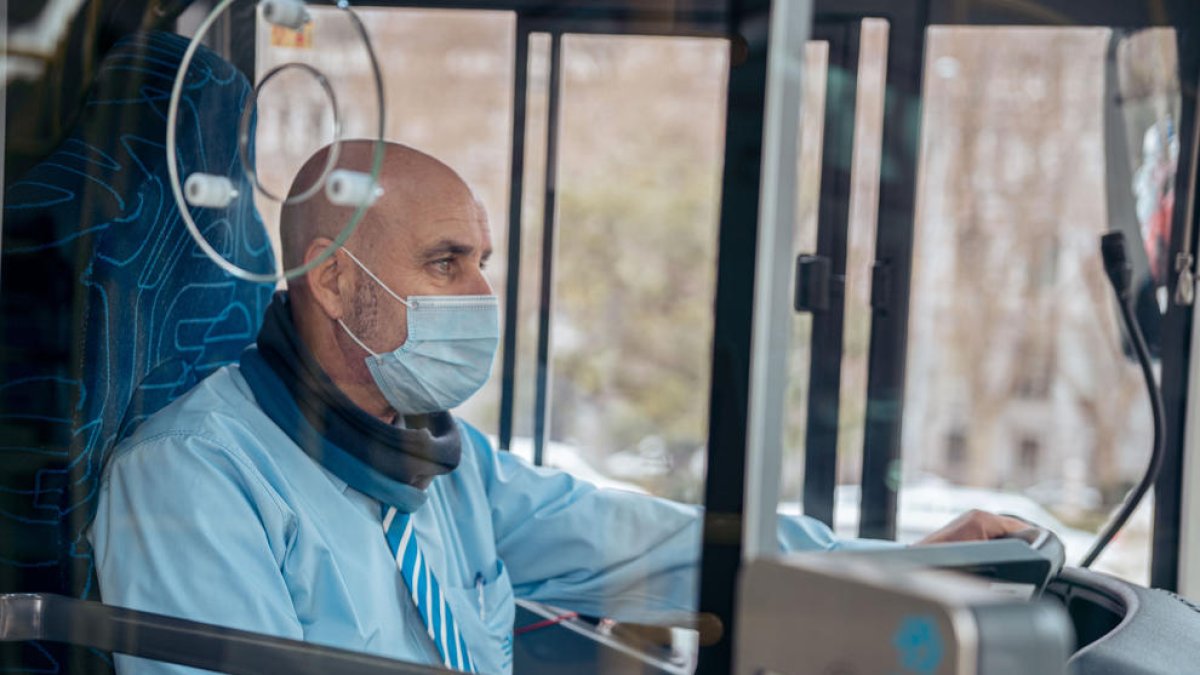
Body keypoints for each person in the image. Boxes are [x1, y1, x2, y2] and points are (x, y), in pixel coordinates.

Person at [89, 140, 1027, 674]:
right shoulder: (190, 481)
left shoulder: (438, 462)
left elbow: (654, 545)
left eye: (483, 264)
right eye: (447, 263)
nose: (480, 296)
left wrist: (895, 568)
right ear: (335, 281)